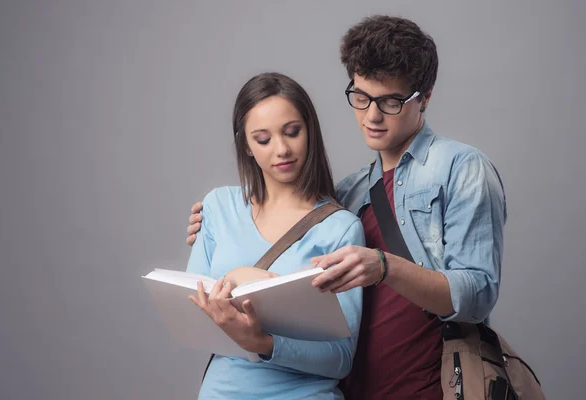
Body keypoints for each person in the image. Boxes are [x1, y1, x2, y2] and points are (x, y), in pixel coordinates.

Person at [187, 15, 507, 399]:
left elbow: (478, 294)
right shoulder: (349, 194)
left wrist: (385, 266)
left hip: (431, 388)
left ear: (425, 96)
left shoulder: (460, 167)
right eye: (361, 96)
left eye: (390, 101)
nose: (372, 116)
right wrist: (212, 224)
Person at [185, 72, 365, 400]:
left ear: (310, 131)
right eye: (263, 139)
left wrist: (263, 344)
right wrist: (237, 278)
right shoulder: (217, 207)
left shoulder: (341, 228)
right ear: (247, 147)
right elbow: (192, 318)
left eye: (292, 132)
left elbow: (341, 359)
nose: (281, 150)